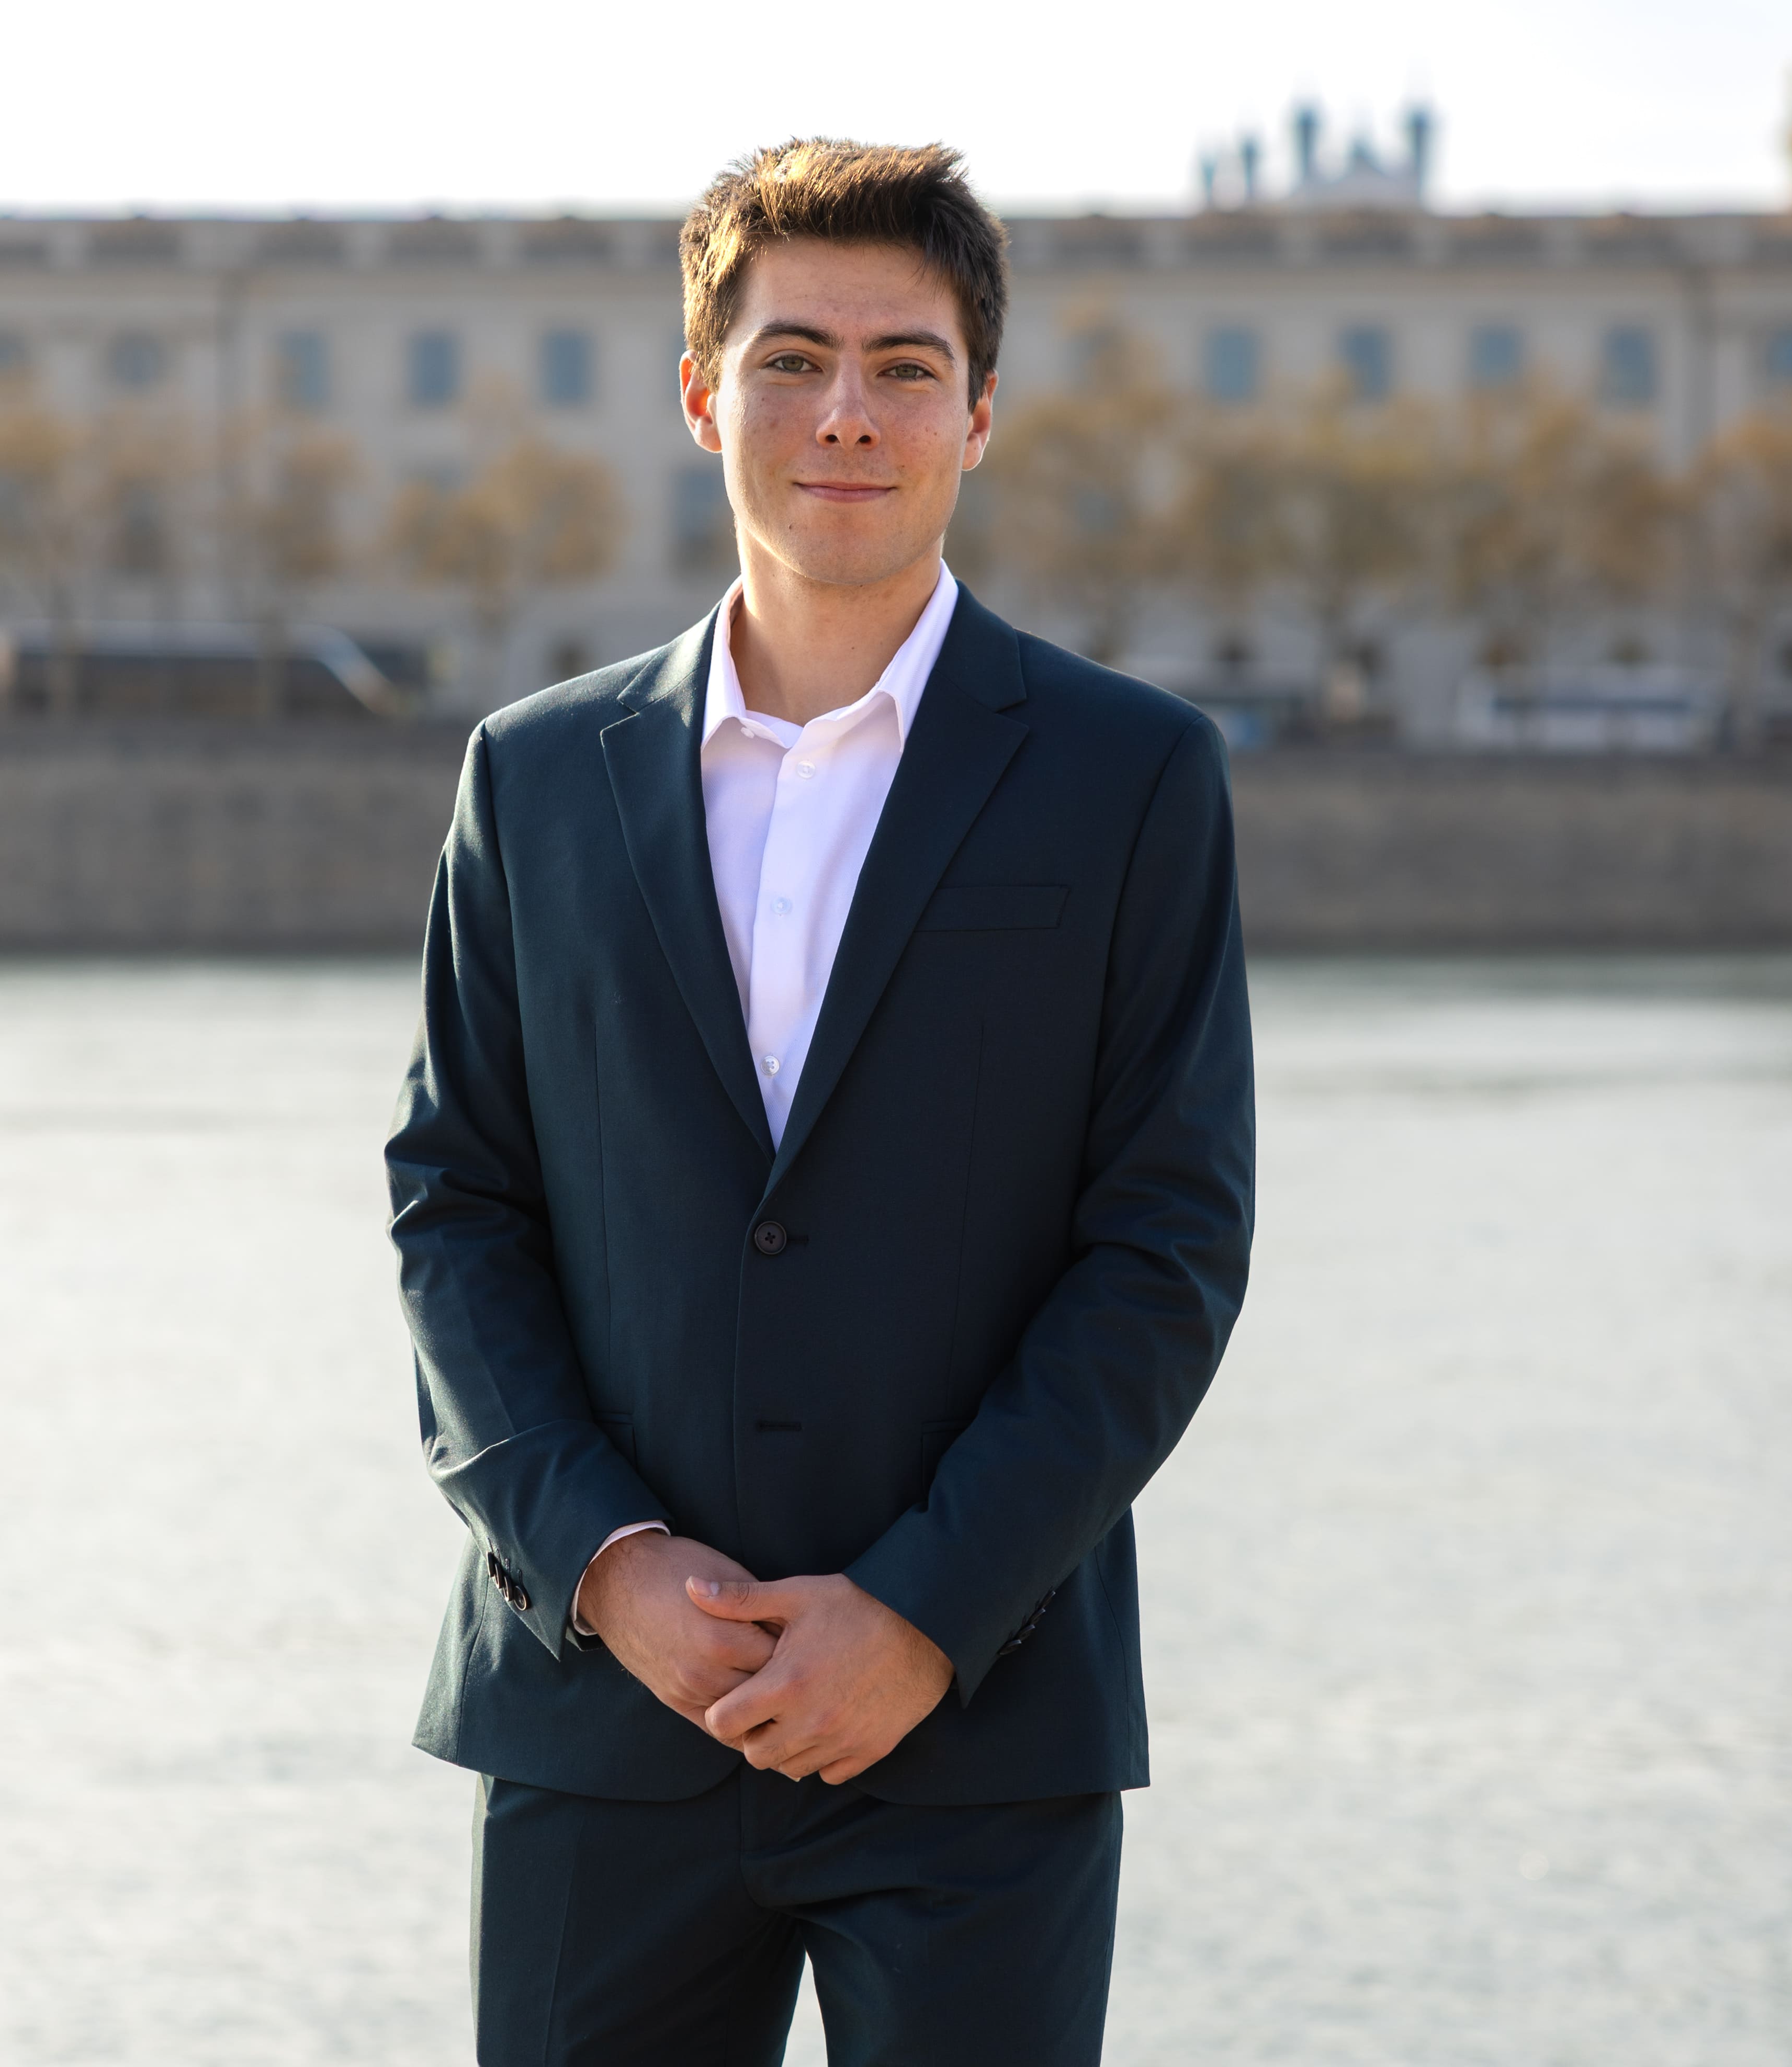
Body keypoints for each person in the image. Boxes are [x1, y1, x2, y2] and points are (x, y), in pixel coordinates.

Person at [383, 137, 1254, 2066]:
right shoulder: (529, 779)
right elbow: (456, 1203)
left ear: (982, 410)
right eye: (791, 360)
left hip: (977, 1728)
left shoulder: (1132, 780)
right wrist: (604, 1566)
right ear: (703, 394)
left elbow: (1168, 1250)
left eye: (904, 365)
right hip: (602, 1722)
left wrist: (924, 1613)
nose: (845, 415)